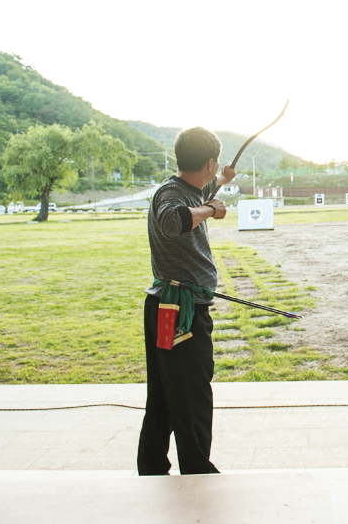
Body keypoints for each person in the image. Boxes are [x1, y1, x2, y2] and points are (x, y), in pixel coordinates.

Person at [137, 126, 236, 476]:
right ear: (208, 162)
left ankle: (152, 467)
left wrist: (222, 179)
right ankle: (197, 470)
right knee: (192, 392)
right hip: (180, 310)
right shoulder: (172, 194)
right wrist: (211, 209)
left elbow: (203, 191)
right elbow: (173, 220)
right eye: (216, 163)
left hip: (170, 306)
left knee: (167, 392)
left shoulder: (189, 189)